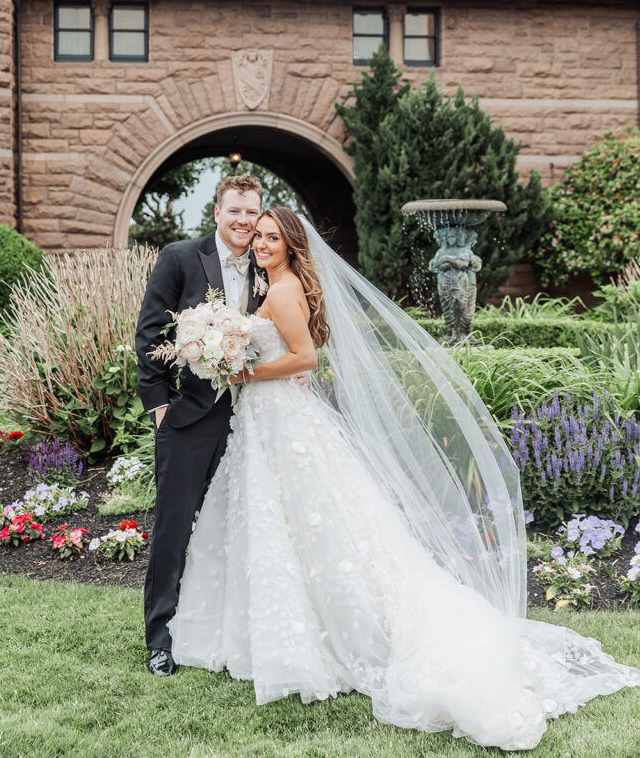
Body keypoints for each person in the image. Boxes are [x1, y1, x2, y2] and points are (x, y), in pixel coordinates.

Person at [165, 207, 640, 751]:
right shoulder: (272, 287)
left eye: (274, 237)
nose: (264, 244)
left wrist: (240, 370)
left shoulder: (283, 290)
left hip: (283, 418)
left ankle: (332, 635)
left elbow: (305, 359)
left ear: (293, 245)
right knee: (284, 520)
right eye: (261, 238)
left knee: (306, 520)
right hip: (270, 420)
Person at [135, 174, 265, 677]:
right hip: (188, 417)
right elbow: (150, 332)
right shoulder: (180, 257)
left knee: (236, 526)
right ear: (217, 212)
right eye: (235, 210)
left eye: (252, 212)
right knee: (173, 528)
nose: (243, 221)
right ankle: (160, 637)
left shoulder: (268, 262)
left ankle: (223, 630)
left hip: (251, 418)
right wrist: (157, 406)